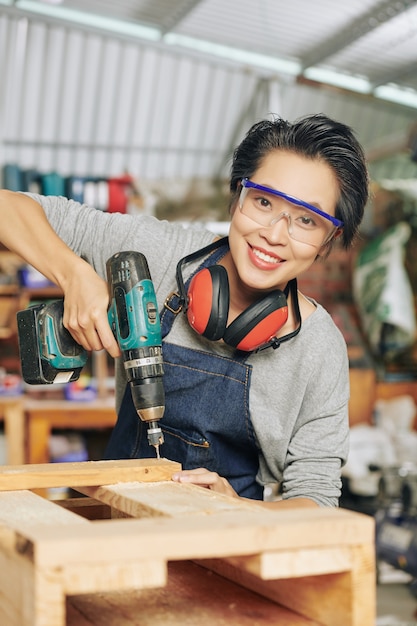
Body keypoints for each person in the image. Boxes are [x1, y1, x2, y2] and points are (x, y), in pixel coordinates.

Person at [0, 113, 369, 509]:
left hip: (230, 548)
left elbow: (315, 499)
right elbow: (8, 206)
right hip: (116, 522)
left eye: (306, 220)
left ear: (328, 241)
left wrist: (239, 511)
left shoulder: (318, 348)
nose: (275, 235)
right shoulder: (155, 255)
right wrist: (73, 275)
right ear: (237, 196)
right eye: (263, 201)